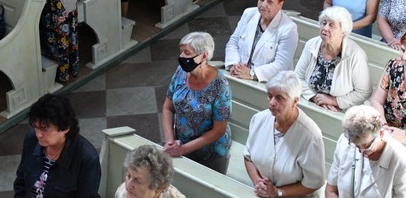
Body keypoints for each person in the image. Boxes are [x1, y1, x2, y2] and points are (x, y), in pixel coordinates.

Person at [244, 71, 326, 198]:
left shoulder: (311, 135)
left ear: (294, 101)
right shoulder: (258, 119)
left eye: (279, 98)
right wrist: (259, 184)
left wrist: (278, 192)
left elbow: (314, 182)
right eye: (269, 95)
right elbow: (248, 157)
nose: (271, 102)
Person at [162, 32, 232, 173]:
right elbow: (167, 108)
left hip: (210, 153)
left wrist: (184, 149)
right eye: (181, 52)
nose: (182, 57)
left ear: (204, 56)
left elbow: (219, 129)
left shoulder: (220, 85)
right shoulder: (180, 72)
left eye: (187, 53)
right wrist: (170, 142)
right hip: (179, 143)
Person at [14, 94, 101, 196]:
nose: (38, 134)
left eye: (44, 129)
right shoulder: (32, 138)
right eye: (36, 127)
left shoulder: (87, 159)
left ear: (65, 128)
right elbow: (21, 181)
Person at [326, 104, 406, 198]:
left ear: (381, 133)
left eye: (366, 146)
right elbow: (331, 190)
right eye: (356, 146)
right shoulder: (346, 141)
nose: (361, 152)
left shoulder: (405, 162)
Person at [295, 6, 372, 111]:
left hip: (341, 112)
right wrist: (314, 98)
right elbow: (297, 77)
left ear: (343, 32)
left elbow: (364, 92)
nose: (325, 28)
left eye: (331, 25)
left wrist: (334, 101)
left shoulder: (356, 55)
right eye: (324, 23)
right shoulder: (312, 44)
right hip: (309, 103)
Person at [225, 0, 298, 82]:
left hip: (270, 84)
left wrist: (252, 73)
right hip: (239, 75)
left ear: (280, 5)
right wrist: (234, 65)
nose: (263, 5)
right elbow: (233, 42)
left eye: (270, 1)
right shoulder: (249, 13)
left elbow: (281, 65)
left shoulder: (289, 28)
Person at [115, 145, 185, 198]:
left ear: (158, 188)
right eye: (128, 176)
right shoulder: (124, 192)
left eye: (138, 181)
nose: (128, 185)